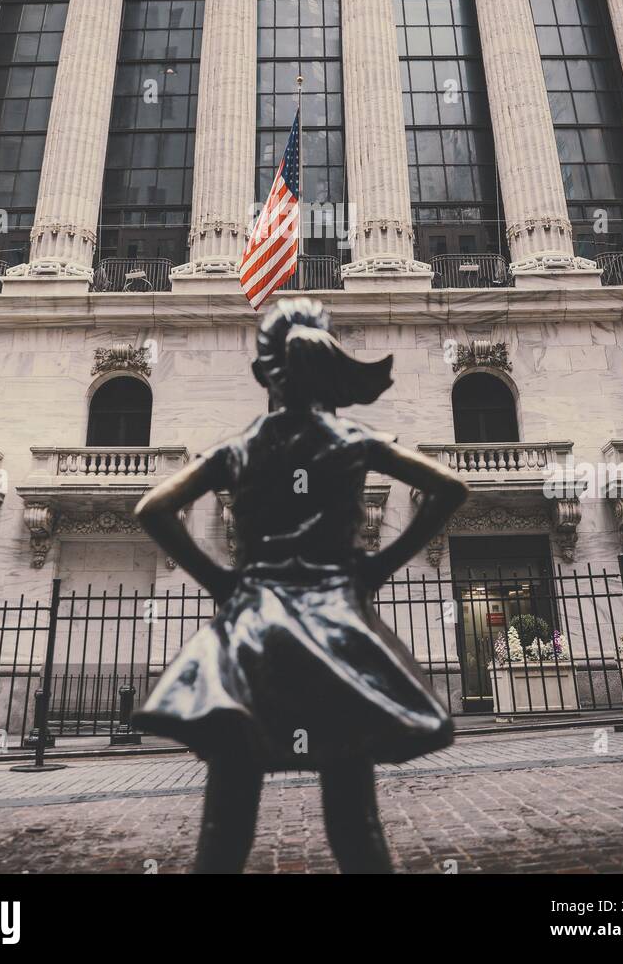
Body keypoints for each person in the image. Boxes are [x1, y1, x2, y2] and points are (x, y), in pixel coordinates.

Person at [134, 296, 468, 875]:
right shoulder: (352, 440)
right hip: (336, 624)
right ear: (329, 372)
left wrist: (219, 580)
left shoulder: (241, 448)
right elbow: (450, 487)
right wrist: (380, 566)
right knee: (354, 817)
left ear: (265, 374)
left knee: (227, 819)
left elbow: (153, 508)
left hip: (254, 625)